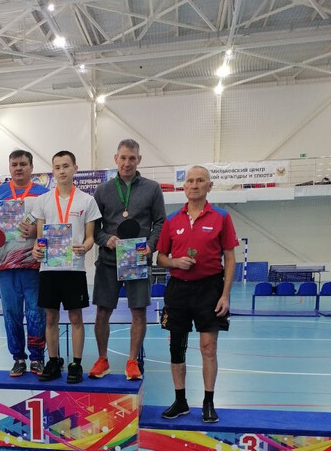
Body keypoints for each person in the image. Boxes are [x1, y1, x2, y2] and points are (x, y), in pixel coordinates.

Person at [156, 165, 238, 423]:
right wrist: (175, 262)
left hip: (210, 290)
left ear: (209, 186)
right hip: (178, 290)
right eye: (190, 181)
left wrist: (225, 295)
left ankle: (208, 402)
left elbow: (230, 258)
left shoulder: (222, 217)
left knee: (208, 347)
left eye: (200, 180)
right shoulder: (171, 220)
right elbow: (160, 258)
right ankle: (180, 401)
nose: (194, 185)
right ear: (184, 187)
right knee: (176, 348)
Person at [89, 139, 165, 381]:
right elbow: (94, 227)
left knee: (138, 312)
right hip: (108, 261)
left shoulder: (152, 188)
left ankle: (132, 361)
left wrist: (151, 245)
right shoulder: (102, 190)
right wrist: (105, 239)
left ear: (139, 160)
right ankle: (102, 359)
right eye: (123, 158)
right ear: (116, 159)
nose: (127, 163)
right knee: (102, 311)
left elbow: (160, 222)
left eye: (132, 158)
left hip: (138, 260)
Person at [31, 150, 101, 384]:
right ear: (53, 171)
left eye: (66, 166)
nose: (62, 171)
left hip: (74, 269)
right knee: (50, 318)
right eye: (57, 167)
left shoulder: (86, 200)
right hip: (49, 269)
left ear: (75, 169)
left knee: (75, 318)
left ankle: (76, 364)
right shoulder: (43, 200)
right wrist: (37, 249)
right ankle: (53, 361)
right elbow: (39, 238)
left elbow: (90, 237)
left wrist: (85, 247)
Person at [0, 150, 49, 376]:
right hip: (6, 265)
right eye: (14, 164)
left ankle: (37, 358)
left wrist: (36, 232)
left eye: (23, 164)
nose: (18, 168)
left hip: (36, 265)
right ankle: (18, 358)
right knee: (11, 313)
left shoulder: (44, 194)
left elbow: (52, 225)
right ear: (9, 167)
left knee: (36, 313)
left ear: (31, 167)